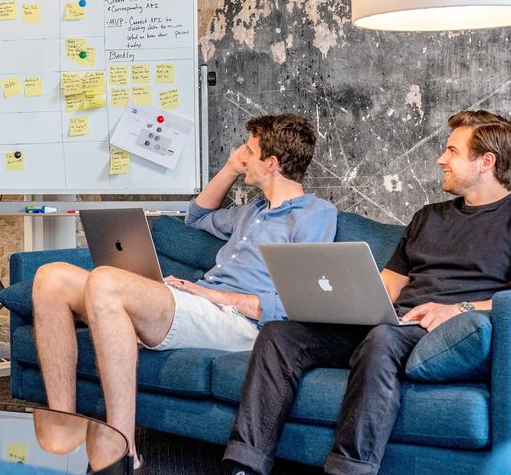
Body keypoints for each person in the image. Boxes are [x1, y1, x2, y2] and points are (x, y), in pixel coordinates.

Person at [222, 110, 511, 475]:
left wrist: (460, 309)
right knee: (281, 334)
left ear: (486, 161)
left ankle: (349, 469)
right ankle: (244, 465)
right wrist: (338, 302)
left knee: (383, 339)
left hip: (450, 333)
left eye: (452, 151)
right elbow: (387, 288)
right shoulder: (427, 217)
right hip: (397, 324)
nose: (441, 159)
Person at [32, 114, 338, 464]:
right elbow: (197, 217)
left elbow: (300, 301)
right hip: (200, 307)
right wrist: (229, 168)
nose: (241, 155)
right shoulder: (251, 212)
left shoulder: (314, 215)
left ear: (272, 163)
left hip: (240, 324)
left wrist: (217, 295)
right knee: (51, 278)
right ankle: (64, 424)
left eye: (249, 151)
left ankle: (123, 455)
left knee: (105, 281)